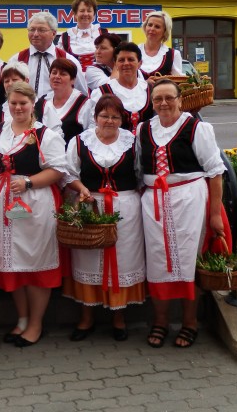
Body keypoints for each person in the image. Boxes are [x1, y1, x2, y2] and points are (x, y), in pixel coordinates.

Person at [137, 79, 226, 349]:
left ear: (180, 100)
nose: (163, 103)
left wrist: (215, 214)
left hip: (190, 200)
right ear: (152, 103)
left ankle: (190, 322)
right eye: (157, 99)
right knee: (157, 261)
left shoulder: (196, 128)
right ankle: (160, 321)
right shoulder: (143, 129)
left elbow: (215, 172)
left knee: (189, 260)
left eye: (169, 98)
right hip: (154, 202)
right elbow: (139, 169)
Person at [0, 82, 67, 347]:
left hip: (34, 203)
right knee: (13, 264)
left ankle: (35, 324)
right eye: (13, 103)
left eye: (23, 103)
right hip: (3, 205)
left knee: (34, 262)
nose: (18, 108)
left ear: (33, 104)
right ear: (7, 105)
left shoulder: (45, 134)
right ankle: (21, 319)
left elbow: (58, 170)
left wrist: (29, 182)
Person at [63, 94, 145, 342]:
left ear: (122, 119)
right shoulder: (80, 141)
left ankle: (119, 317)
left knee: (123, 260)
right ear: (95, 117)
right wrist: (82, 189)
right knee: (89, 258)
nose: (109, 120)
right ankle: (86, 317)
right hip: (91, 205)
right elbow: (68, 174)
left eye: (115, 117)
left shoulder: (133, 142)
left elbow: (141, 174)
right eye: (104, 116)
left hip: (126, 208)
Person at [6, 11, 87, 99]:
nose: (35, 34)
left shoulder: (69, 60)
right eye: (32, 29)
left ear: (54, 33)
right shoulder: (16, 60)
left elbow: (82, 94)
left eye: (41, 30)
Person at [91, 42, 153, 132]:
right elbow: (94, 126)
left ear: (140, 63)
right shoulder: (102, 92)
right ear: (115, 64)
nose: (126, 63)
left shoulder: (150, 89)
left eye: (131, 59)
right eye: (121, 60)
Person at [34, 58, 95, 145]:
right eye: (54, 73)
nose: (57, 76)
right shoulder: (42, 102)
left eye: (63, 74)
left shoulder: (85, 104)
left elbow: (91, 137)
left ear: (73, 80)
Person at [57, 0, 108, 71]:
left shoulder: (104, 34)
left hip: (100, 77)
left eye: (89, 11)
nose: (86, 14)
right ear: (75, 14)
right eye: (82, 11)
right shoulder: (65, 37)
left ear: (94, 15)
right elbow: (59, 63)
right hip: (75, 78)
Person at [138, 11, 184, 79]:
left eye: (157, 27)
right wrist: (145, 83)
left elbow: (178, 81)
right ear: (145, 27)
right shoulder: (134, 51)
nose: (152, 29)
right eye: (150, 25)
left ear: (165, 31)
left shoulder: (173, 55)